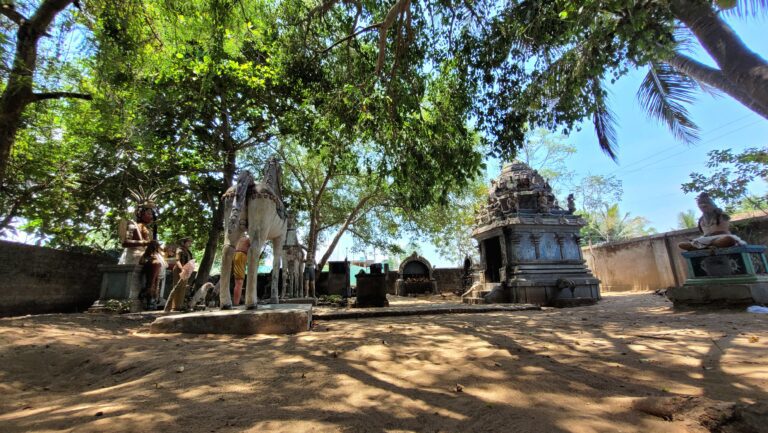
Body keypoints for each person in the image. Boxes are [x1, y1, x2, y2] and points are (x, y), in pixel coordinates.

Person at [678, 192, 747, 251]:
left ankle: (706, 246)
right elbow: (705, 233)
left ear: (711, 205)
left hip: (720, 237)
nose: (703, 208)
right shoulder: (701, 220)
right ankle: (705, 245)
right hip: (705, 239)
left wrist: (711, 238)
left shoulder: (721, 215)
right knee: (682, 244)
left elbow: (722, 231)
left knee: (728, 240)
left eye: (705, 205)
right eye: (701, 206)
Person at [166, 237, 194, 311]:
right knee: (177, 286)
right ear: (184, 242)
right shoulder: (179, 250)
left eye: (190, 242)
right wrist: (182, 269)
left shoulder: (188, 251)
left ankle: (180, 305)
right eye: (188, 242)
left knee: (183, 287)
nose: (190, 243)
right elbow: (177, 260)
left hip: (186, 270)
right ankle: (174, 306)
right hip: (179, 270)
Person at [139, 240, 167, 310]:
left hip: (159, 274)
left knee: (155, 287)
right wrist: (151, 260)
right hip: (152, 274)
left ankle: (153, 304)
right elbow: (141, 262)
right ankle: (150, 304)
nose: (157, 248)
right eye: (157, 246)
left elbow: (165, 264)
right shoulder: (148, 255)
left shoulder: (158, 255)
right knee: (151, 286)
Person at [233, 233, 251, 306]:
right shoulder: (246, 239)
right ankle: (236, 304)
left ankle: (235, 302)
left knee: (237, 282)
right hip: (240, 255)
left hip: (234, 254)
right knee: (239, 282)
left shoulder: (237, 238)